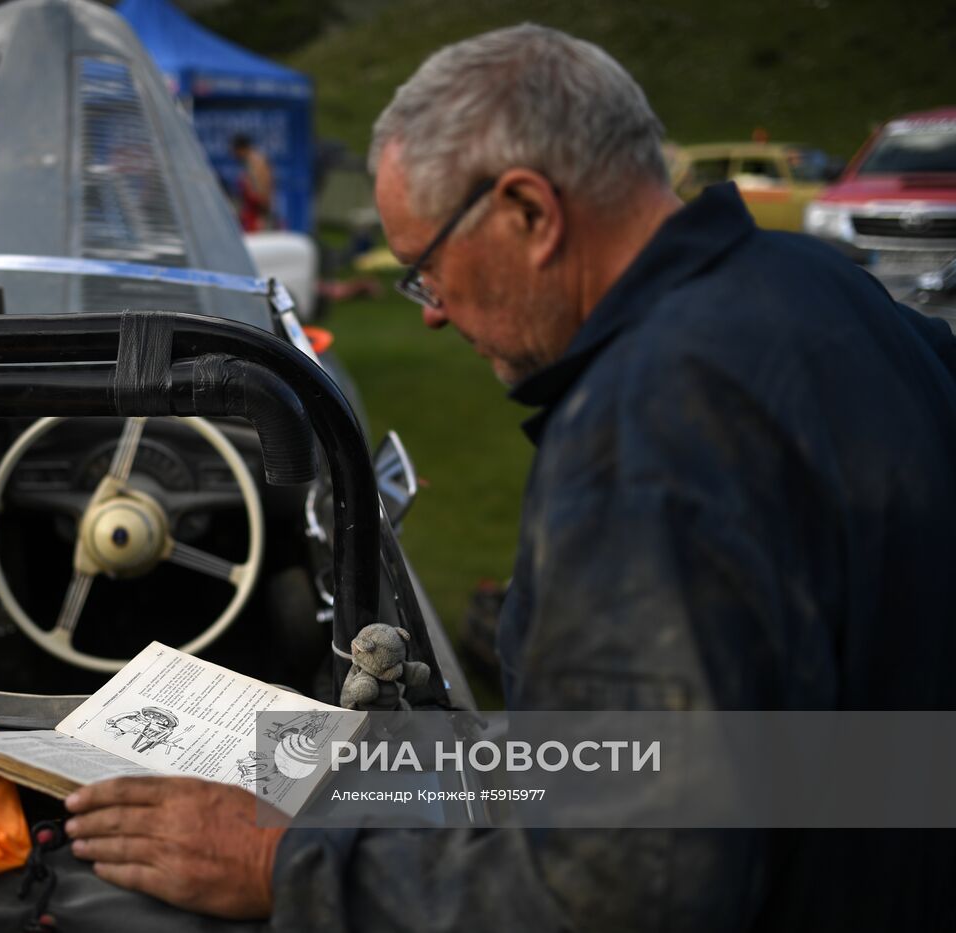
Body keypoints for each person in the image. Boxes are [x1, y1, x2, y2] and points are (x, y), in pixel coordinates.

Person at [65, 24, 956, 929]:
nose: (434, 315)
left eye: (428, 270)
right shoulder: (824, 288)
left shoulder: (648, 430)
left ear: (529, 211)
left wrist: (279, 864)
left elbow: (627, 885)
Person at [231, 133, 274, 232]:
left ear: (241, 149)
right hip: (252, 214)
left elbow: (263, 195)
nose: (234, 156)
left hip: (258, 216)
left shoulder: (256, 163)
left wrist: (262, 218)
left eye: (235, 152)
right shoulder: (249, 164)